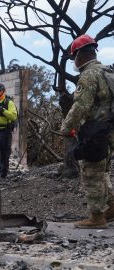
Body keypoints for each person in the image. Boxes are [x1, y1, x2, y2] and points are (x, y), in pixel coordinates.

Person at [61, 34, 114, 229]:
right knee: (103, 170)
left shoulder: (89, 75)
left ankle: (96, 217)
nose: (75, 60)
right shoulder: (108, 71)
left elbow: (80, 106)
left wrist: (66, 127)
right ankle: (112, 206)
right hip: (110, 130)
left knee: (91, 171)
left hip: (96, 131)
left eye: (75, 56)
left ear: (81, 55)